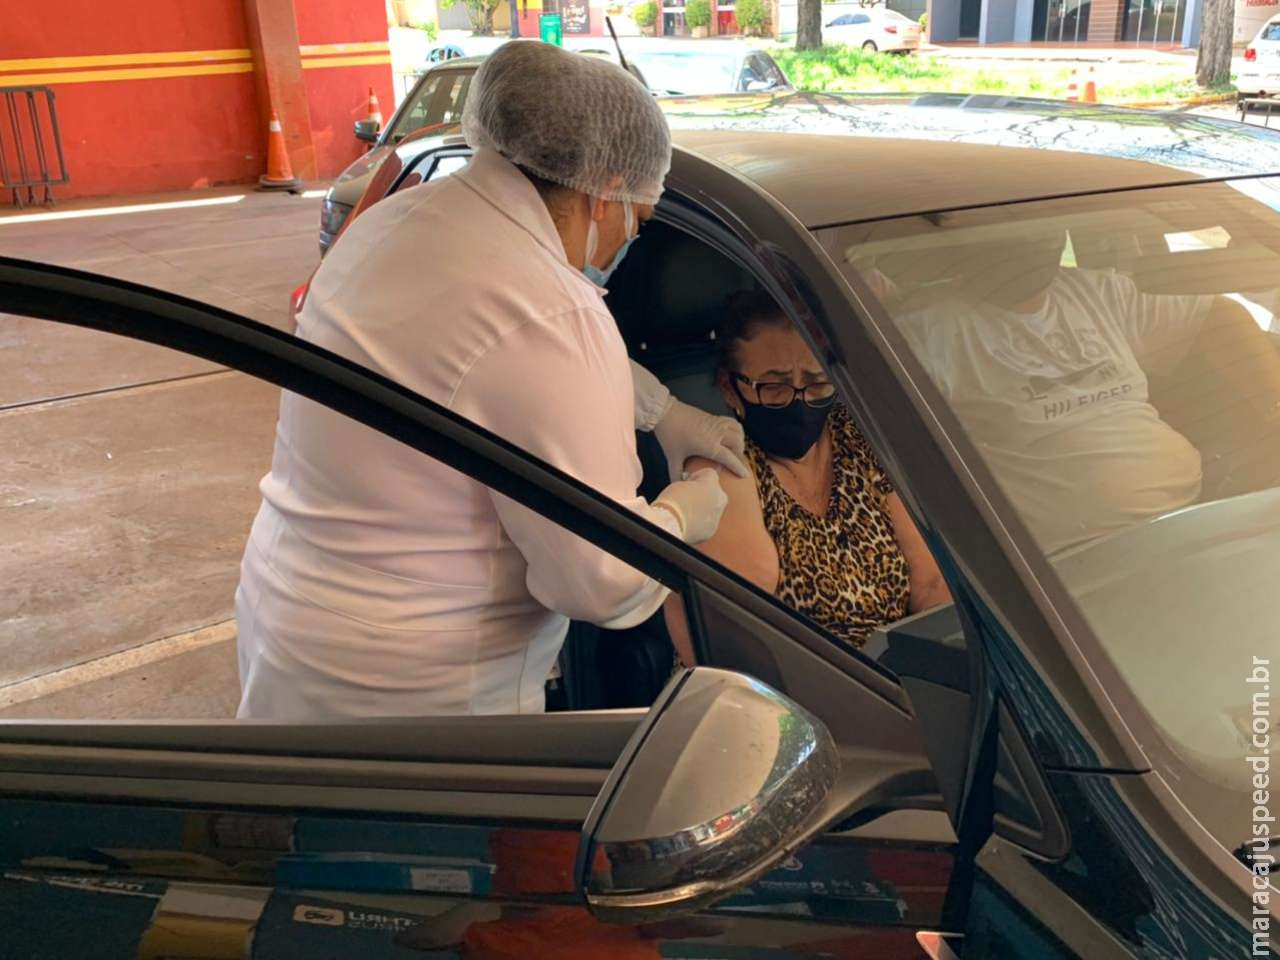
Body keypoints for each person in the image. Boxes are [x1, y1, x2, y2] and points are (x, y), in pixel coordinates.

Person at [234, 42, 748, 720]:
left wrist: (659, 410)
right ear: (609, 190)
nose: (626, 242)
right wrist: (683, 514)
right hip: (418, 695)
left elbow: (474, 361)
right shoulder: (549, 304)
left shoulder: (395, 224)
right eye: (639, 221)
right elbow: (603, 582)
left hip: (290, 616)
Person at [891, 226, 1280, 555]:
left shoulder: (1094, 292)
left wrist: (1275, 408)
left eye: (1037, 227)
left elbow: (1218, 314)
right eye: (1010, 231)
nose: (1029, 240)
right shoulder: (925, 330)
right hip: (1076, 564)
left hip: (1206, 516)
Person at [668, 291, 951, 655]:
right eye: (775, 386)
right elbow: (736, 645)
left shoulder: (860, 438)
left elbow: (930, 585)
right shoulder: (722, 461)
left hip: (894, 677)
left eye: (816, 382)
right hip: (788, 692)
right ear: (730, 387)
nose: (798, 400)